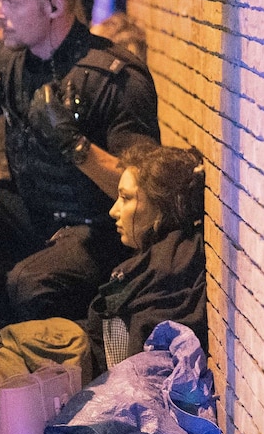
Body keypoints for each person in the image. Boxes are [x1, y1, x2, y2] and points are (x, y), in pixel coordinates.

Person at [0, 0, 160, 325]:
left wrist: (75, 145)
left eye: (10, 2)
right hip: (35, 215)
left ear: (55, 6)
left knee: (28, 284)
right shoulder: (7, 61)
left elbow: (145, 195)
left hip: (100, 229)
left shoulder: (116, 77)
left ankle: (60, 371)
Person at [87, 143, 207, 376]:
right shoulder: (155, 261)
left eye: (126, 198)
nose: (114, 210)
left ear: (161, 207)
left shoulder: (164, 275)